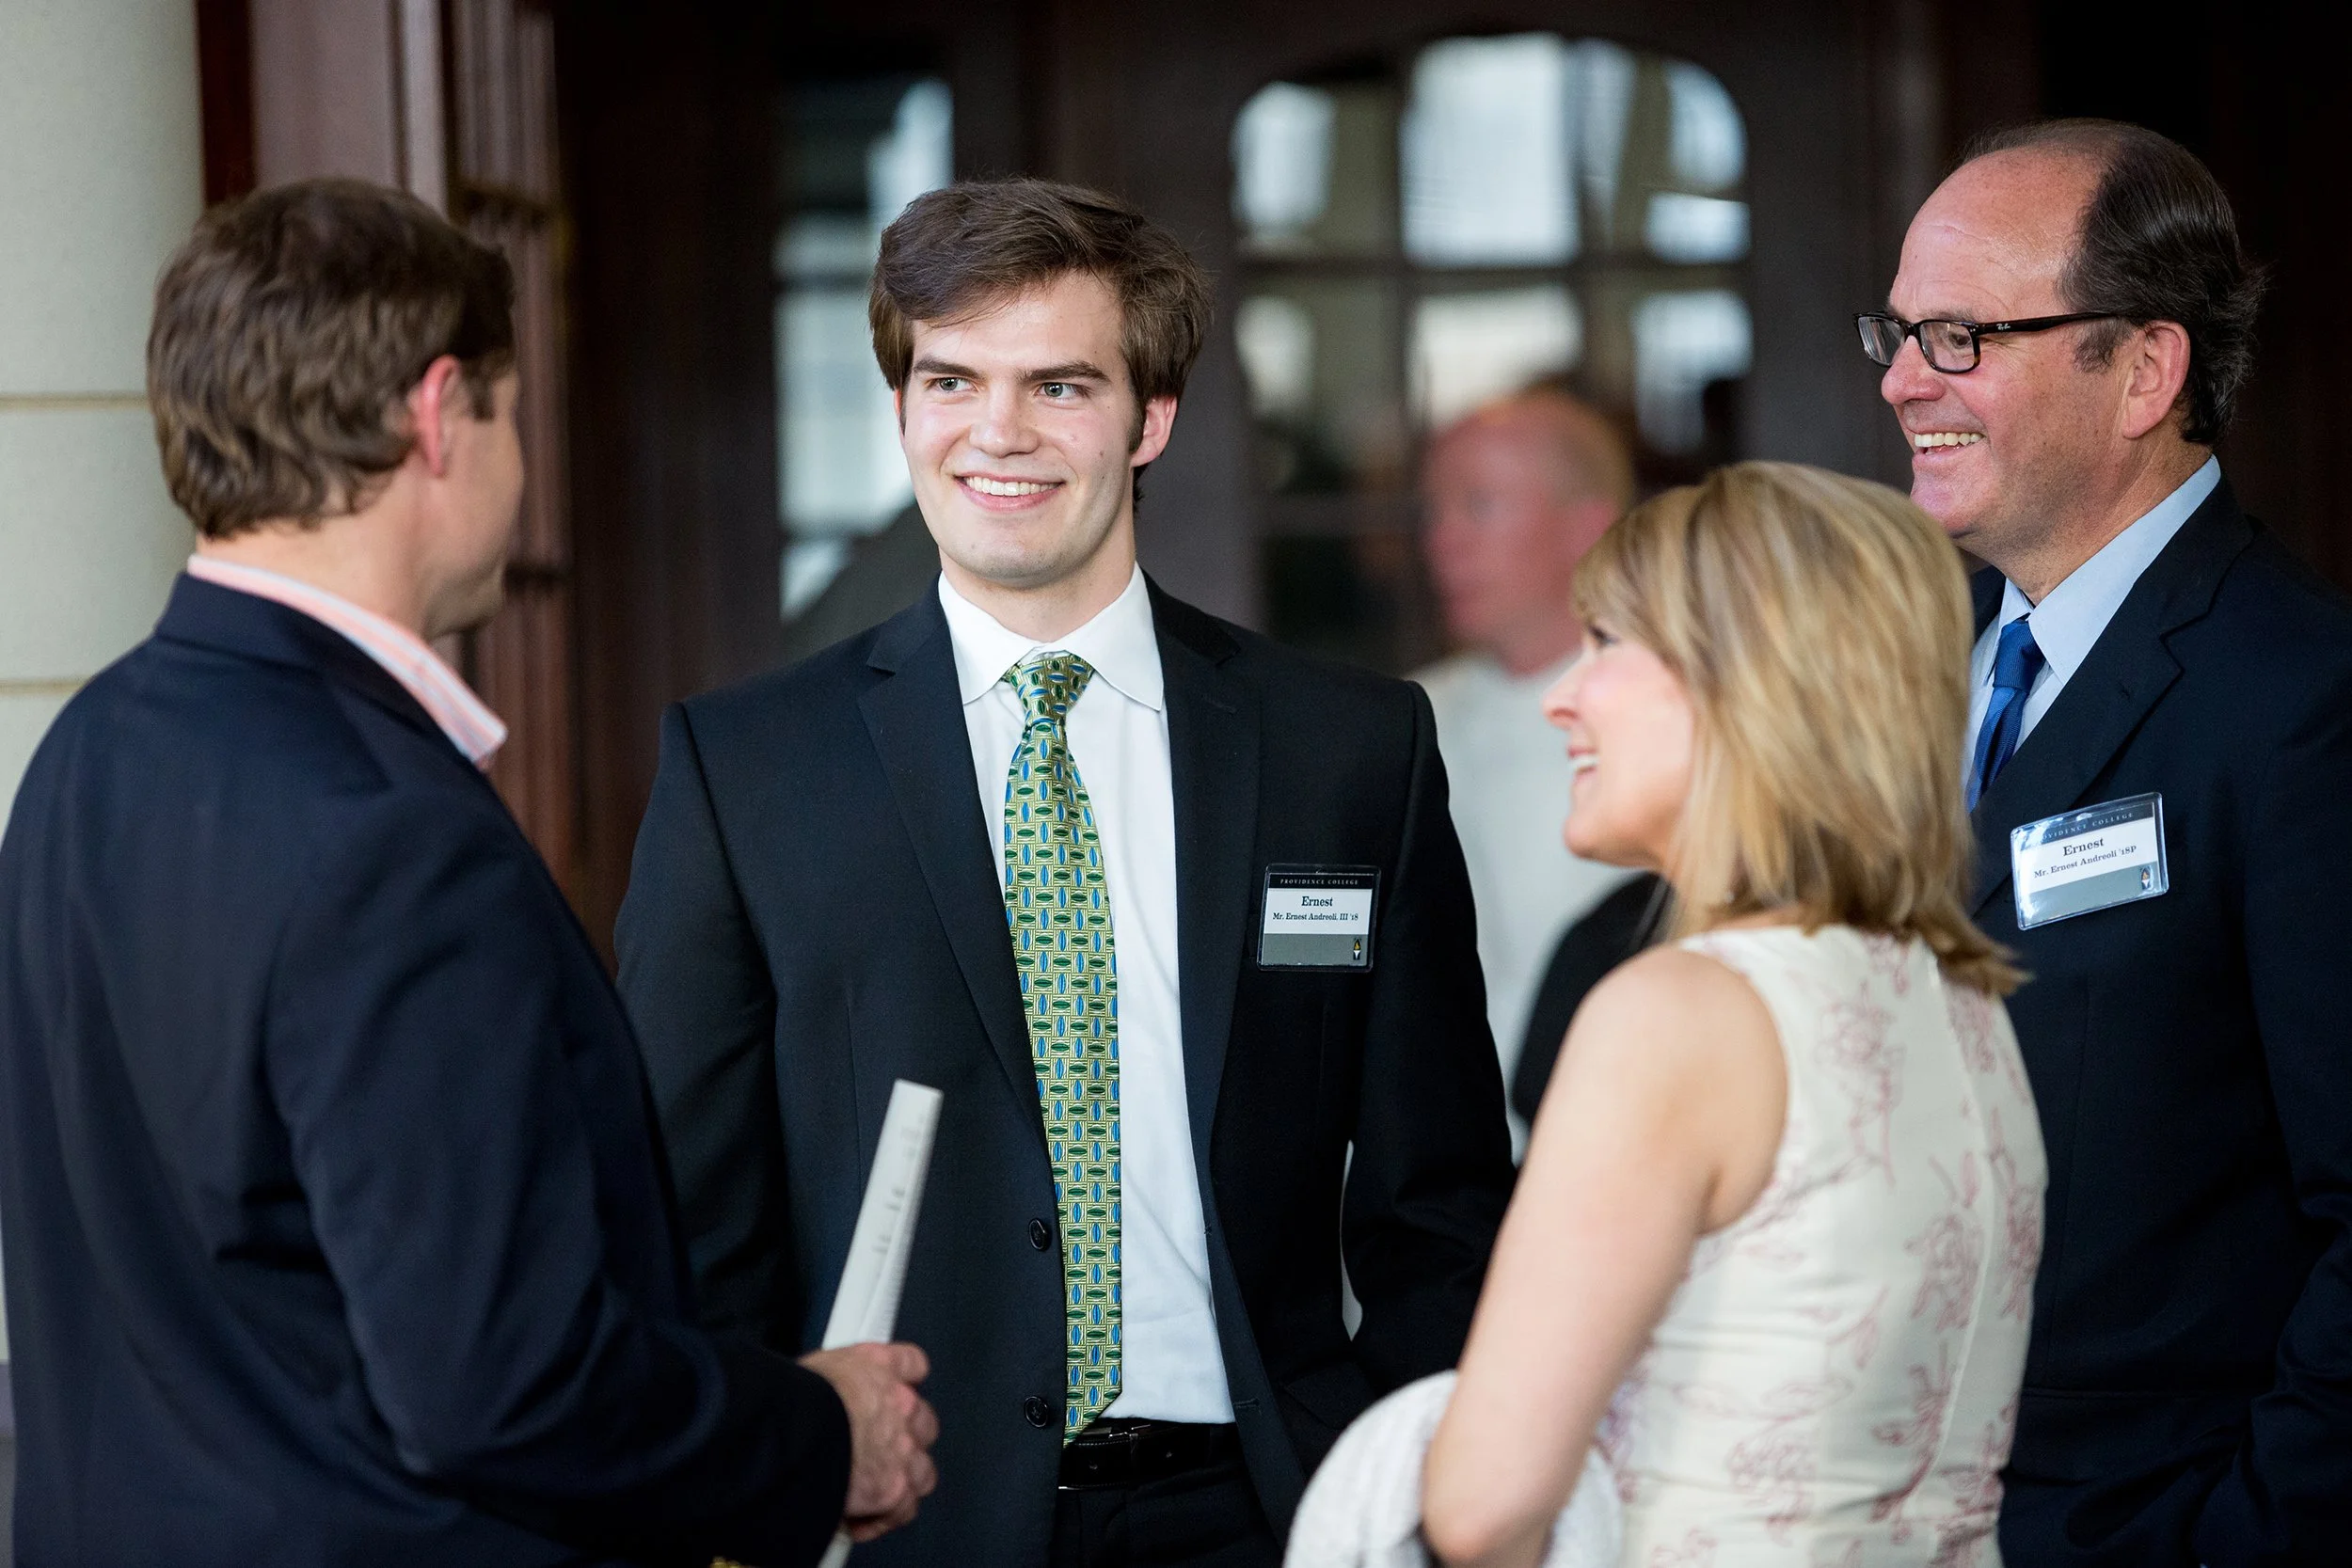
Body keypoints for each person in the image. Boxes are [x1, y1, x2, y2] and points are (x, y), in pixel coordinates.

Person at [0, 180, 936, 1568]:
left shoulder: (81, 752)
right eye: (510, 408)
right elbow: (507, 1383)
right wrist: (817, 1429)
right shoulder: (389, 833)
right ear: (439, 413)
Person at [616, 178, 1513, 1568]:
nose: (999, 432)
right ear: (904, 405)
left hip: (1272, 1512)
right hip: (905, 1523)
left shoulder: (1350, 747)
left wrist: (1397, 1492)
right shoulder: (746, 770)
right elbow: (689, 1228)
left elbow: (1437, 1194)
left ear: (1151, 417)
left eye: (1060, 385)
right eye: (951, 378)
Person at [1866, 119, 2352, 1565]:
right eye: (1897, 330)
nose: (1901, 379)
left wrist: (2237, 1538)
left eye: (1960, 335)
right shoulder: (1909, 663)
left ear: (2145, 370)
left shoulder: (2301, 704)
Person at [1419, 462, 2045, 1565]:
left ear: (1746, 683)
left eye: (1606, 642)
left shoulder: (1674, 1015)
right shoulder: (1961, 995)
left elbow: (1480, 1507)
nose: (1562, 694)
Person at [1412, 388, 1639, 1153]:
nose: (1445, 540)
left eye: (1480, 506)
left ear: (1587, 526)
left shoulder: (1677, 726)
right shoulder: (1404, 719)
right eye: (1434, 512)